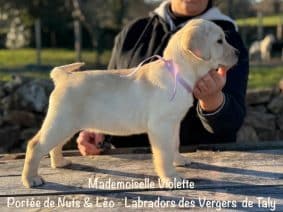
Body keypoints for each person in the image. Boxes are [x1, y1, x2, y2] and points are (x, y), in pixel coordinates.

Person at [76, 0, 249, 156]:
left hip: (199, 168)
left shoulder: (228, 40)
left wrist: (212, 98)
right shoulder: (133, 32)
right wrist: (97, 127)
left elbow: (231, 123)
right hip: (129, 164)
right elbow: (112, 93)